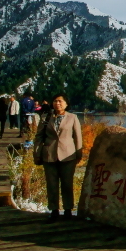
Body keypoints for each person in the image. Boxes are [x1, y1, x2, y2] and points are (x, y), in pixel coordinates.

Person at [34, 93, 83, 221]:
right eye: (55, 101)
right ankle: (54, 210)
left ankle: (68, 210)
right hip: (49, 155)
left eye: (60, 101)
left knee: (67, 183)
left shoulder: (72, 117)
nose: (58, 103)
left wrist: (79, 153)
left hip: (68, 155)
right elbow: (39, 137)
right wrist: (37, 153)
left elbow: (78, 137)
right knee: (51, 184)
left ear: (66, 104)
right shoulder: (46, 117)